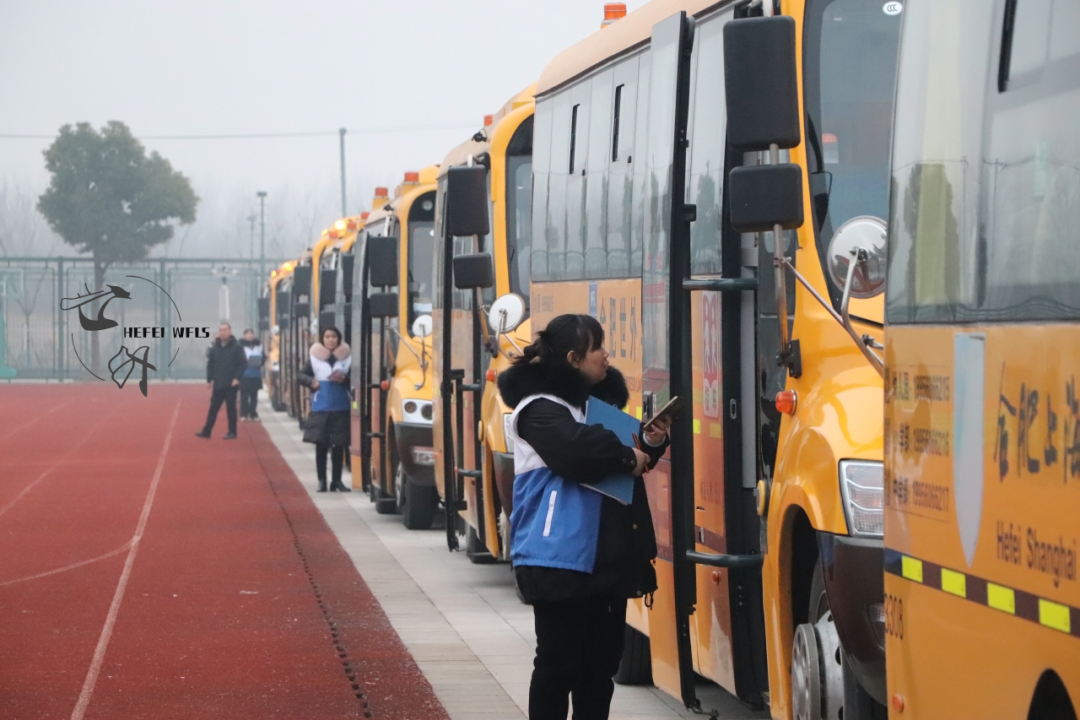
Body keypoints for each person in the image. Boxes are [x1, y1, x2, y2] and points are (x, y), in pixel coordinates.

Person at [496, 314, 671, 720]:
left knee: (598, 671)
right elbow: (579, 452)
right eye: (598, 348)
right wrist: (629, 455)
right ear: (574, 358)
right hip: (557, 559)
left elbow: (621, 455)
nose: (606, 355)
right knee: (558, 668)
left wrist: (649, 442)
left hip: (606, 558)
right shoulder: (537, 408)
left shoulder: (595, 408)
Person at [298, 326, 352, 493]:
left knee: (339, 445)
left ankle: (337, 481)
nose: (330, 340)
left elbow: (356, 379)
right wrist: (311, 382)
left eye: (334, 336)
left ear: (339, 338)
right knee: (320, 445)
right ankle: (322, 480)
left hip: (341, 406)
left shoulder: (347, 358)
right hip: (320, 407)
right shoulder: (314, 359)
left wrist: (345, 379)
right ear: (322, 339)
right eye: (327, 336)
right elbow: (299, 375)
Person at [196, 322, 246, 440]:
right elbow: (210, 364)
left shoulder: (237, 347)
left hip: (231, 383)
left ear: (230, 331)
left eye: (225, 330)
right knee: (213, 408)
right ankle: (207, 430)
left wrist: (237, 378)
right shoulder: (215, 347)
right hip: (218, 383)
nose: (222, 332)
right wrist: (209, 379)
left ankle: (232, 431)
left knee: (231, 409)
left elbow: (242, 364)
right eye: (220, 330)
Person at [239, 328, 264, 421]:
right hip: (245, 374)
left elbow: (263, 357)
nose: (250, 335)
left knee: (254, 395)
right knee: (244, 395)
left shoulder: (258, 345)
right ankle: (244, 413)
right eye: (248, 334)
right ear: (244, 335)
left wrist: (261, 361)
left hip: (256, 373)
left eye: (251, 334)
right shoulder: (240, 346)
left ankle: (253, 413)